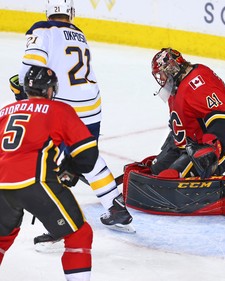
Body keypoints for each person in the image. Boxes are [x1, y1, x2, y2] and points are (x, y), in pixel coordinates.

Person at [9, 0, 134, 248]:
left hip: (64, 105)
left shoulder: (42, 30)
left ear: (49, 11)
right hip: (91, 102)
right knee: (86, 154)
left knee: (49, 162)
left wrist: (21, 93)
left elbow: (28, 72)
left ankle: (57, 223)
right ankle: (115, 205)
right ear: (70, 12)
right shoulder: (78, 33)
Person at [123, 48, 225, 217]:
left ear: (171, 69)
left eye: (162, 75)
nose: (161, 80)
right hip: (185, 145)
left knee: (167, 180)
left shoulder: (198, 83)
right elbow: (181, 126)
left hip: (210, 151)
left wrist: (210, 148)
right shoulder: (177, 86)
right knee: (155, 172)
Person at [0, 65, 96, 280]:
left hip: (1, 184)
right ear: (50, 90)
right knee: (79, 234)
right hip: (35, 182)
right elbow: (88, 154)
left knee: (1, 239)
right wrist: (70, 169)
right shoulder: (58, 110)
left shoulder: (4, 111)